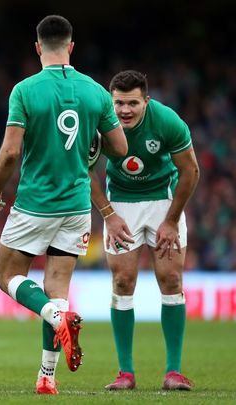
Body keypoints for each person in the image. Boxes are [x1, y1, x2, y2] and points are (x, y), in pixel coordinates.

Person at [0, 15, 128, 395]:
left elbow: (12, 150)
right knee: (58, 285)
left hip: (36, 203)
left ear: (37, 47)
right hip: (78, 205)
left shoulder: (25, 91)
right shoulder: (96, 92)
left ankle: (55, 315)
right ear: (71, 46)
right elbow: (120, 149)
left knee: (6, 277)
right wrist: (93, 140)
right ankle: (47, 377)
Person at [89, 70, 199, 391]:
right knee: (123, 281)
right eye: (119, 103)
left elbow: (190, 170)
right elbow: (84, 171)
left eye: (132, 103)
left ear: (146, 101)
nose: (125, 110)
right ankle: (125, 373)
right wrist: (109, 215)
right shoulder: (99, 124)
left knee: (171, 279)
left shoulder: (166, 121)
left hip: (164, 201)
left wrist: (171, 219)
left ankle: (173, 371)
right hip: (121, 204)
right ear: (111, 101)